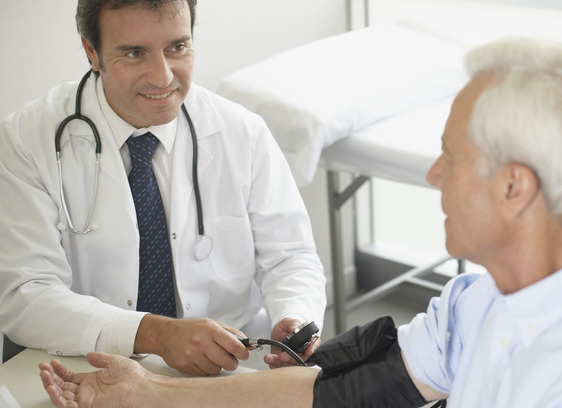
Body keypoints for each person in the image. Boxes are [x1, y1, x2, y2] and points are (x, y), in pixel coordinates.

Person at [38, 36, 562, 408]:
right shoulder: (483, 300)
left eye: (451, 157)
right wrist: (144, 391)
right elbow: (340, 396)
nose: (434, 175)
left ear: (515, 188)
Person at [0, 0, 326, 375]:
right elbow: (26, 294)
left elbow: (290, 256)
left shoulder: (242, 132)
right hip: (87, 363)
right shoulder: (27, 140)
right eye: (135, 53)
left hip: (229, 366)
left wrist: (294, 315)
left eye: (177, 47)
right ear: (93, 51)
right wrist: (152, 333)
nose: (163, 77)